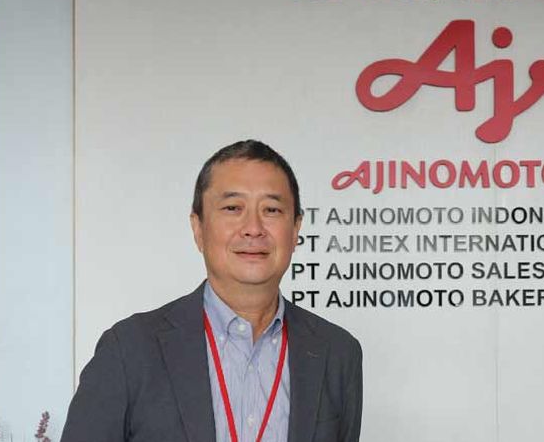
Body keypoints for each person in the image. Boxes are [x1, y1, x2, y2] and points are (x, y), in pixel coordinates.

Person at [62, 140, 363, 442]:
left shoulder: (338, 353)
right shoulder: (130, 350)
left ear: (296, 229)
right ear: (198, 228)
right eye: (233, 208)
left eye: (271, 210)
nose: (253, 228)